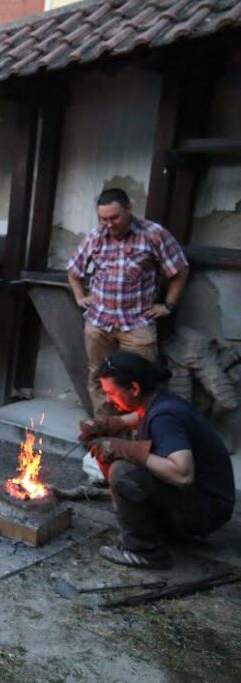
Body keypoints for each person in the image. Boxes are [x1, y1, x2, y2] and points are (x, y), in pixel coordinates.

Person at [82, 350, 234, 569]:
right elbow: (138, 417)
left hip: (206, 511)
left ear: (134, 388)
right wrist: (108, 425)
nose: (108, 399)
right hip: (205, 502)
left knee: (123, 472)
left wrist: (126, 449)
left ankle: (146, 552)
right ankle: (153, 527)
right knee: (119, 459)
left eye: (112, 393)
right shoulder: (158, 402)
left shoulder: (165, 417)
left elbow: (183, 474)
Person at [67, 188, 189, 416]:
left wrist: (168, 306)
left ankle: (139, 440)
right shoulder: (95, 236)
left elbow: (180, 270)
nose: (109, 224)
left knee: (141, 382)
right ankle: (105, 437)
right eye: (104, 219)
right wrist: (80, 297)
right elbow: (74, 271)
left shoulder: (153, 234)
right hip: (99, 323)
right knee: (98, 377)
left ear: (129, 208)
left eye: (115, 218)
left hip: (137, 323)